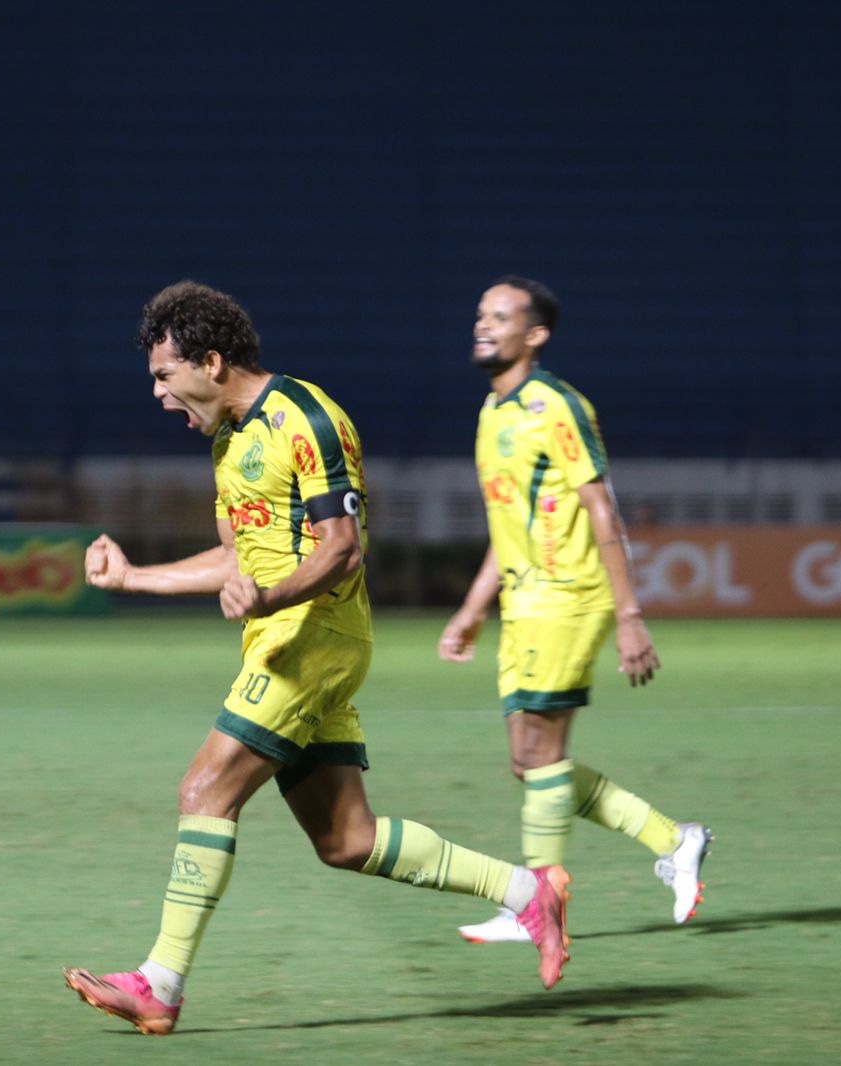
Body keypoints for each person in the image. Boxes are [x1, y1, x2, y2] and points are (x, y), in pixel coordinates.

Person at [63, 280, 571, 1037]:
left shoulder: (305, 417)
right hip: (288, 637)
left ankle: (159, 986)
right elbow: (235, 557)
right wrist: (134, 577)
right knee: (346, 840)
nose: (160, 395)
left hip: (314, 639)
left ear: (210, 360)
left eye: (166, 376)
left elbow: (343, 549)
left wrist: (269, 598)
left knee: (205, 789)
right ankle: (529, 892)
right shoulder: (229, 440)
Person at [438, 275, 712, 944]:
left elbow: (601, 509)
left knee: (542, 755)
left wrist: (629, 615)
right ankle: (675, 840)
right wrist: (473, 608)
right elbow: (507, 526)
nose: (483, 324)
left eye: (501, 317)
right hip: (523, 601)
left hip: (567, 597)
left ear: (535, 335)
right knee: (530, 764)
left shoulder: (557, 405)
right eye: (481, 313)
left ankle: (538, 906)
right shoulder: (491, 412)